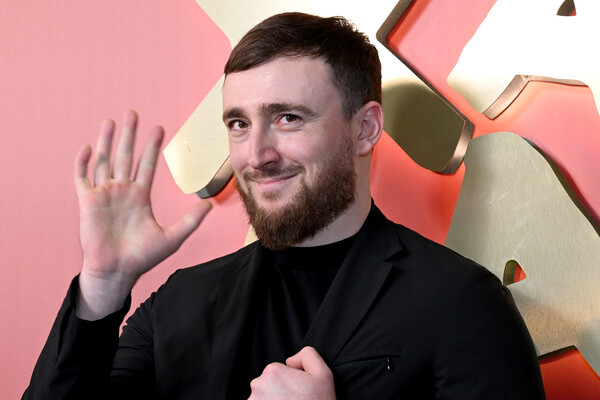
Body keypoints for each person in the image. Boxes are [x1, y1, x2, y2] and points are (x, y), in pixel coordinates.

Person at [23, 12, 545, 399]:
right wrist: (103, 285)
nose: (256, 155)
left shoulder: (463, 304)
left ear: (365, 129)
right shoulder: (179, 304)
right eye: (239, 123)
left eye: (288, 118)